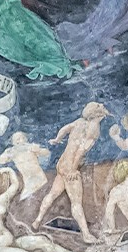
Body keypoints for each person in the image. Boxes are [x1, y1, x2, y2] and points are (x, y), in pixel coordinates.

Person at [31, 101, 110, 241]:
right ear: (97, 113)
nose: (102, 105)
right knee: (76, 202)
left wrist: (57, 139)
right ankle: (86, 234)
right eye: (100, 106)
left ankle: (37, 220)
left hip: (62, 163)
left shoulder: (79, 122)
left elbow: (65, 129)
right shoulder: (94, 129)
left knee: (53, 193)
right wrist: (73, 169)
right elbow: (81, 150)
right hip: (70, 167)